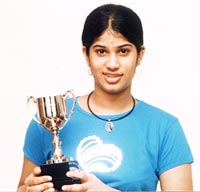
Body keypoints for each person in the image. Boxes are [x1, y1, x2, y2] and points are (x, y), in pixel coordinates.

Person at [17, 3, 193, 192]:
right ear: (86, 54)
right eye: (101, 51)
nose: (112, 63)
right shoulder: (48, 121)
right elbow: (22, 187)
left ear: (140, 55)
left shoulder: (164, 127)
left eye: (123, 51)